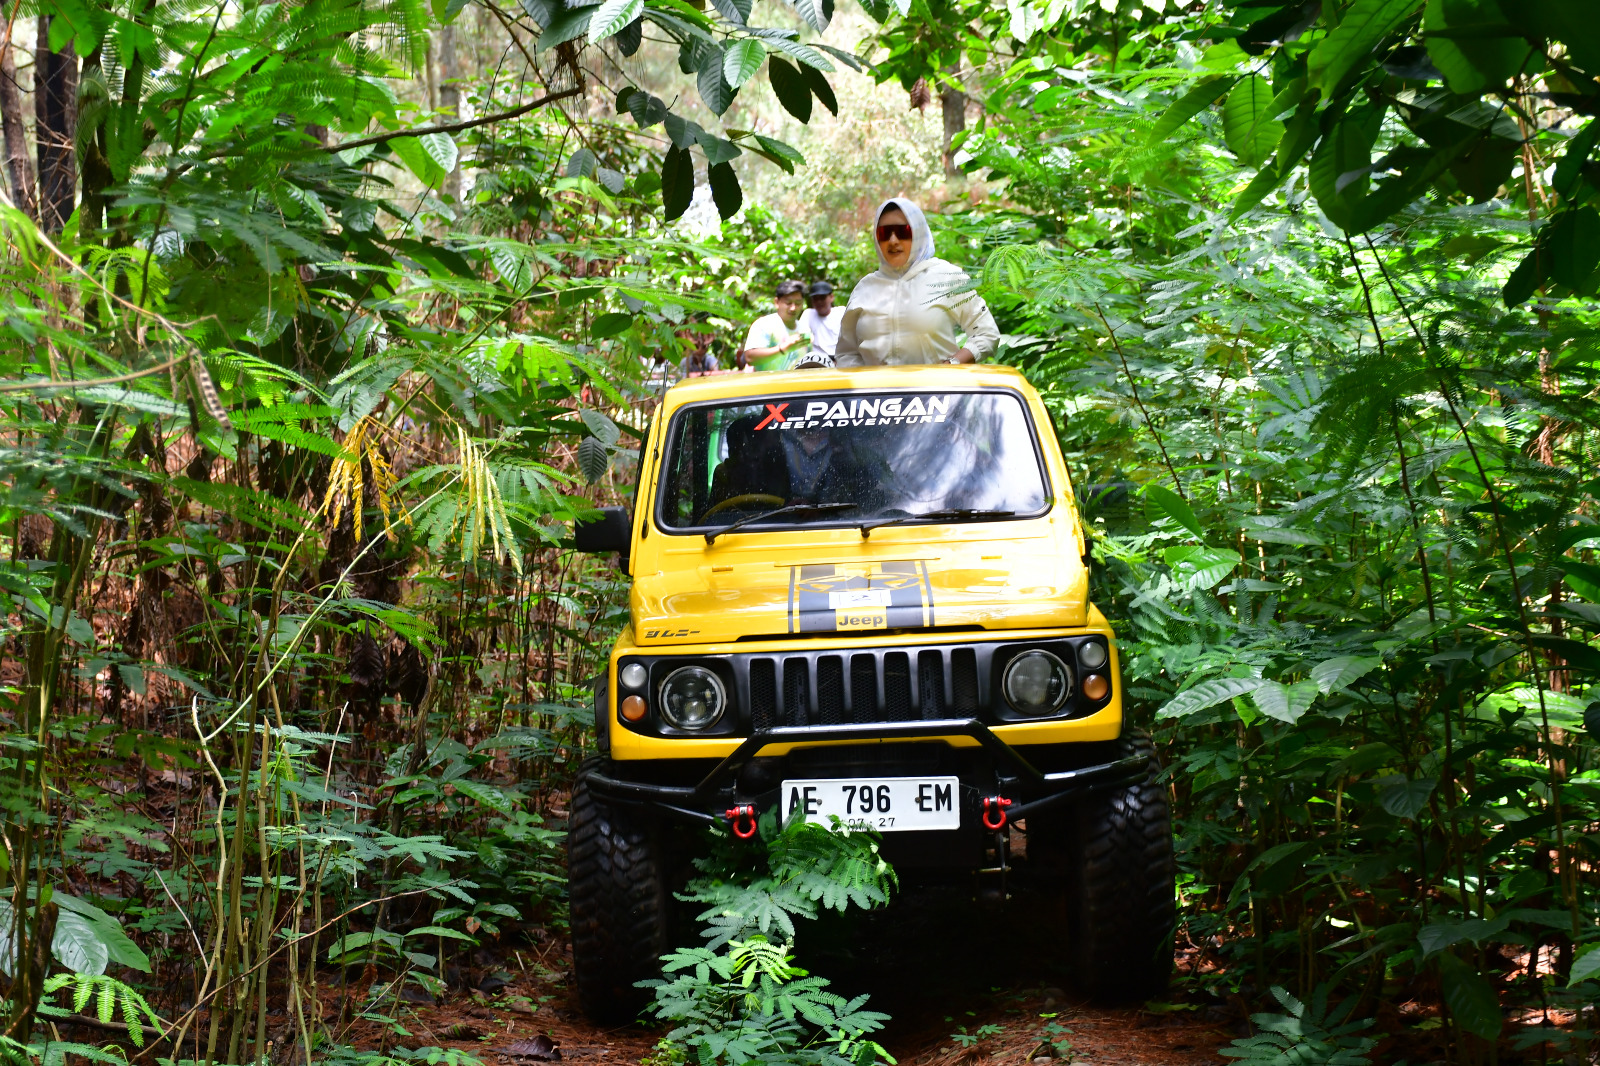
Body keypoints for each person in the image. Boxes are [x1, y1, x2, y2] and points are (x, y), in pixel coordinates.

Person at [834, 198, 1001, 367]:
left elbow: (986, 333)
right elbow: (846, 352)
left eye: (903, 231)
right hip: (878, 392)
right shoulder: (864, 288)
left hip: (936, 391)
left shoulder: (947, 277)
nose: (893, 241)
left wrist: (952, 365)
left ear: (919, 232)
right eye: (884, 233)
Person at [743, 280, 810, 371]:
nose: (793, 308)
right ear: (776, 302)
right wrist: (783, 348)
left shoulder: (804, 329)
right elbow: (750, 358)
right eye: (788, 303)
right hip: (763, 384)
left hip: (792, 384)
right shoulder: (764, 324)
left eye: (798, 303)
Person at [798, 280, 841, 362]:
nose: (819, 302)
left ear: (831, 297)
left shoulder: (840, 312)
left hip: (839, 359)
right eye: (815, 299)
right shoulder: (808, 314)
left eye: (822, 298)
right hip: (817, 361)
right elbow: (803, 335)